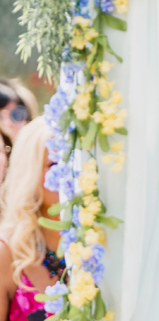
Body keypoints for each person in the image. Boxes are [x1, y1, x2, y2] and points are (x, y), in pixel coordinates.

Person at [0, 117, 65, 321]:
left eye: (72, 162)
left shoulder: (100, 247)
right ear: (30, 173)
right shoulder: (7, 255)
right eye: (54, 164)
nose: (68, 175)